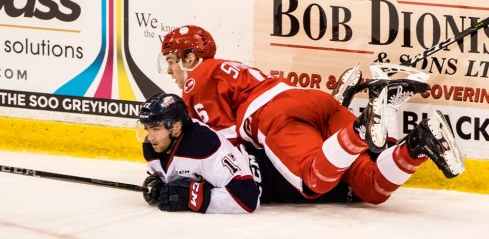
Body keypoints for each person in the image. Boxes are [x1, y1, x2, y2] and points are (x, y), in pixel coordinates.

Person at [157, 25, 465, 205]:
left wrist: (208, 181)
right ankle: (419, 142)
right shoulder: (229, 67)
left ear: (190, 57)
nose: (171, 71)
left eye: (172, 61)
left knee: (312, 181)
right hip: (312, 101)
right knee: (370, 187)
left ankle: (360, 127)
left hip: (275, 116)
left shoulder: (198, 79)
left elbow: (226, 145)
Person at [138, 92, 259, 213]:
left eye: (155, 129)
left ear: (175, 127)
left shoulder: (203, 144)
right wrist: (159, 187)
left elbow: (247, 198)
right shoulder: (152, 147)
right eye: (147, 129)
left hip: (269, 178)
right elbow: (172, 179)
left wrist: (191, 198)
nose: (150, 137)